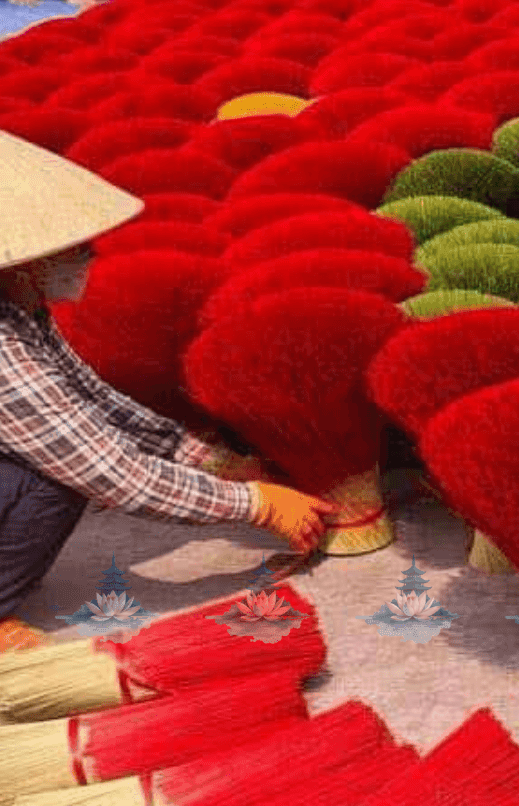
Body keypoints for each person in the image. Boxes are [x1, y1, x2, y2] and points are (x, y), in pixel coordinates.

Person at [0, 131, 334, 650]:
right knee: (53, 480)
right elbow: (109, 472)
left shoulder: (22, 309)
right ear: (23, 258)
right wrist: (254, 505)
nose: (89, 253)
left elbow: (91, 400)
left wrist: (208, 460)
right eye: (70, 245)